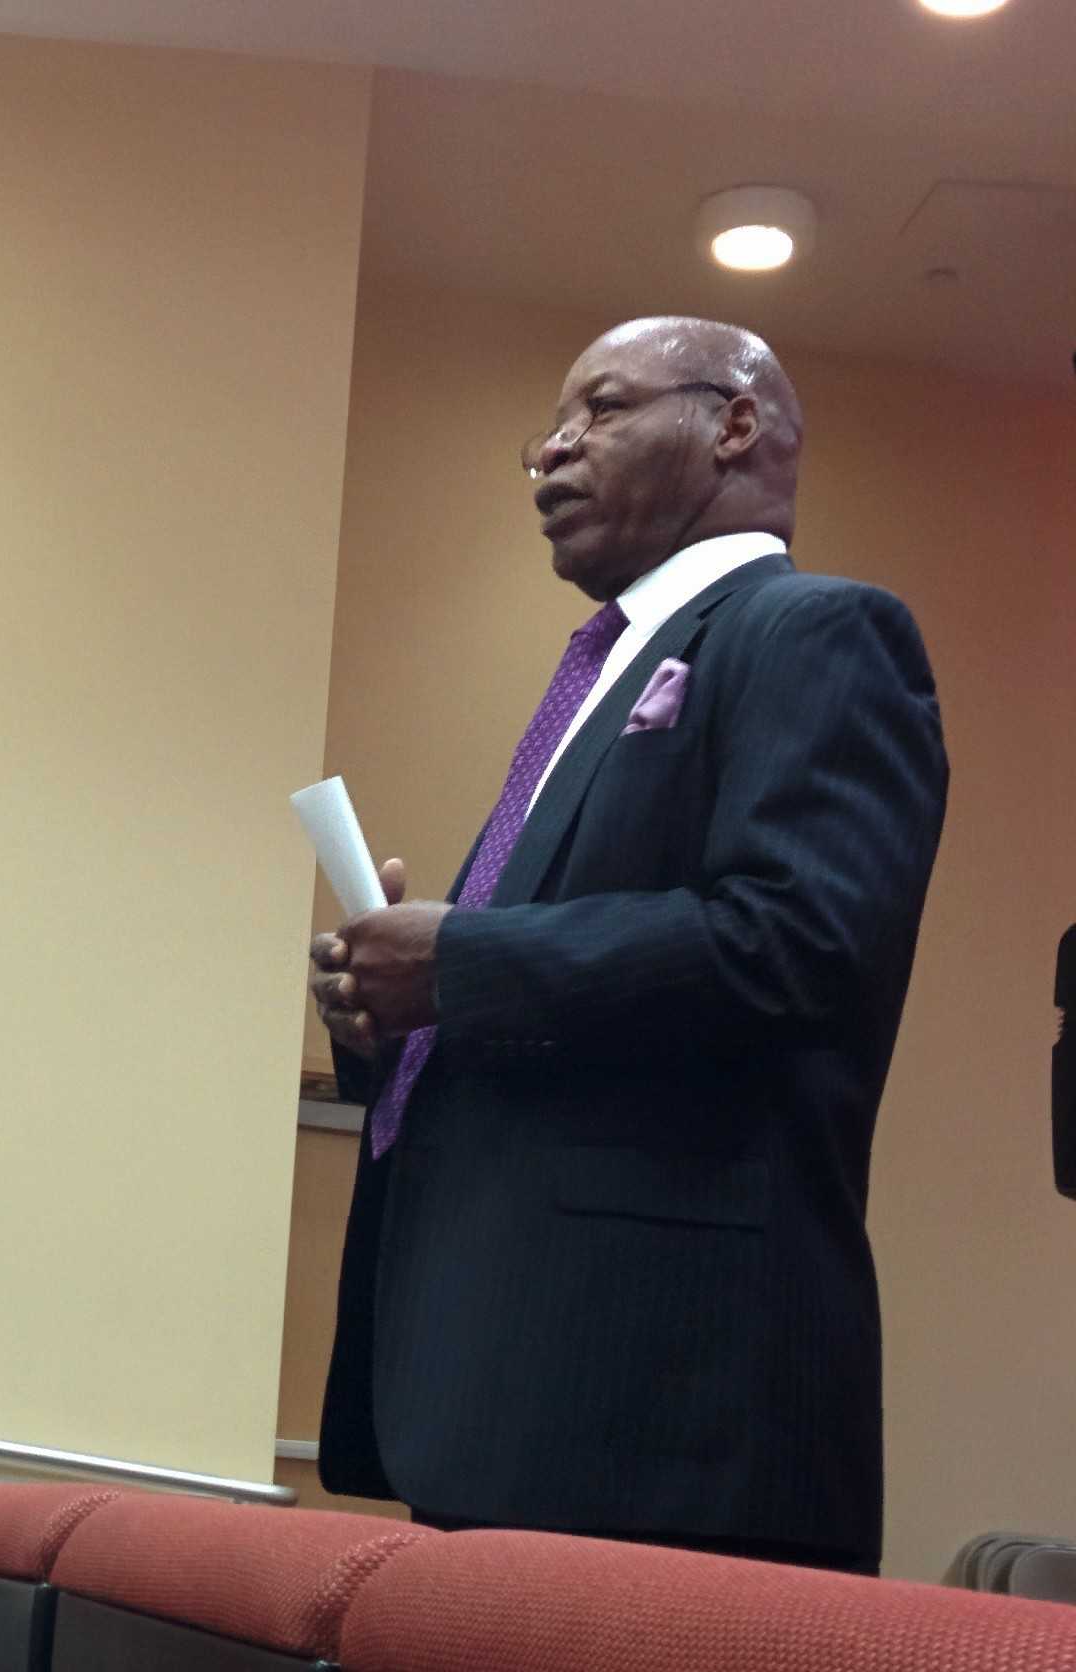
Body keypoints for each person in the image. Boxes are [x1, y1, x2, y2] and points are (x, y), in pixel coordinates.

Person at [307, 317, 948, 1574]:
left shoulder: (816, 632)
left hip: (665, 1419)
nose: (549, 451)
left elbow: (795, 940)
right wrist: (392, 1020)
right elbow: (570, 1012)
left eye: (597, 409)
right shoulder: (601, 674)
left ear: (733, 423)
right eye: (548, 427)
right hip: (504, 1397)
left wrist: (464, 963)